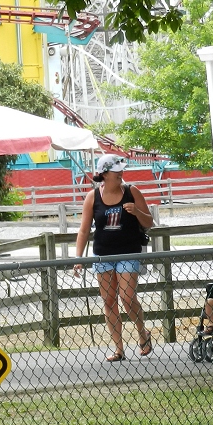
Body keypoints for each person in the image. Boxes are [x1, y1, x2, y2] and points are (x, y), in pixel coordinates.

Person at [74, 154, 154, 362]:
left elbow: (149, 222)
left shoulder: (131, 191)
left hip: (128, 252)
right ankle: (119, 349)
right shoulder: (93, 197)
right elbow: (83, 231)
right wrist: (78, 258)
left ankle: (142, 333)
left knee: (127, 297)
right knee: (109, 301)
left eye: (121, 171)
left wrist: (136, 211)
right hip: (103, 255)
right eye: (117, 171)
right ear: (105, 174)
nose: (121, 174)